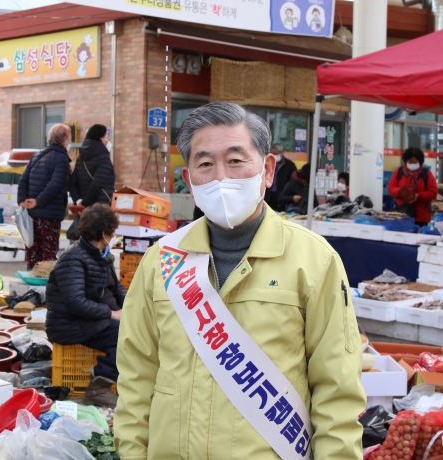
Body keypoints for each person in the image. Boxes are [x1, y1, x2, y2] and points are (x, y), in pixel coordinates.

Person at [115, 102, 365, 459]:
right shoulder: (161, 261)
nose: (220, 177)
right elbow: (136, 376)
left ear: (267, 170)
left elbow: (337, 391)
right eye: (205, 164)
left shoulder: (315, 261)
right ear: (188, 180)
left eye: (235, 161)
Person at [45, 203, 124, 407]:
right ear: (104, 233)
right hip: (70, 324)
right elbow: (76, 303)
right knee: (126, 334)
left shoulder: (102, 255)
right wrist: (112, 314)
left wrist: (133, 307)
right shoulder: (73, 258)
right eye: (113, 231)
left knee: (142, 328)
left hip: (94, 319)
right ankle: (98, 387)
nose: (115, 235)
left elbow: (117, 289)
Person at [17, 123, 72, 269]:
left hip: (31, 215)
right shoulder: (61, 158)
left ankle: (31, 283)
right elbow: (56, 185)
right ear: (65, 138)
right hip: (49, 214)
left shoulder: (37, 155)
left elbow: (23, 180)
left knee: (33, 252)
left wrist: (23, 200)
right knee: (48, 254)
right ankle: (45, 285)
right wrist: (38, 201)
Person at [387, 148, 438, 226]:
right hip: (402, 214)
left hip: (421, 217)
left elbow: (433, 192)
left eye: (415, 162)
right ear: (405, 161)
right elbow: (391, 188)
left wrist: (418, 196)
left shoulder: (427, 174)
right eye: (410, 162)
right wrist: (401, 192)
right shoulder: (399, 172)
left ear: (420, 162)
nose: (412, 164)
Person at [70, 124, 116, 207]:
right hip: (100, 208)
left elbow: (72, 183)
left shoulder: (81, 157)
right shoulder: (103, 158)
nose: (108, 140)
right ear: (100, 138)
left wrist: (79, 202)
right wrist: (85, 205)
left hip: (84, 209)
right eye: (107, 136)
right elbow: (97, 184)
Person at [264, 143, 297, 211]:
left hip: (282, 195)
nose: (274, 156)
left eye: (276, 154)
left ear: (282, 153)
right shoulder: (267, 164)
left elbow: (293, 182)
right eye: (272, 154)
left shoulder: (289, 165)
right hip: (269, 195)